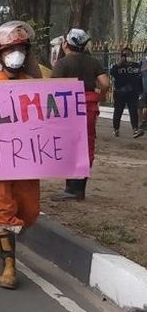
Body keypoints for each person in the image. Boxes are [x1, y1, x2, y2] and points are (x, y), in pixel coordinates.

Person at [0, 21, 43, 289]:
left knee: (28, 212)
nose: (15, 54)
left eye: (20, 49)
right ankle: (9, 265)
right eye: (9, 49)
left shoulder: (39, 85)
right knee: (4, 209)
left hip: (27, 161)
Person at [49, 29, 110, 200]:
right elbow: (105, 83)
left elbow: (54, 89)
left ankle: (70, 189)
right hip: (89, 106)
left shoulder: (62, 63)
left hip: (69, 109)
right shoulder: (93, 62)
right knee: (87, 145)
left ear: (66, 44)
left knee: (69, 145)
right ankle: (79, 189)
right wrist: (101, 96)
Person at [110, 47, 144, 138]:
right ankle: (116, 128)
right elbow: (112, 73)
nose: (127, 57)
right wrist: (119, 64)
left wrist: (140, 90)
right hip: (120, 92)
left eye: (129, 55)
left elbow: (139, 78)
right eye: (125, 55)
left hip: (132, 92)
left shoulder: (136, 66)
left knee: (133, 111)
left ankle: (135, 129)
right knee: (118, 111)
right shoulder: (117, 67)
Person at [140, 48, 147, 130]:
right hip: (143, 88)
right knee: (142, 106)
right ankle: (142, 122)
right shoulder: (142, 63)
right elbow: (137, 72)